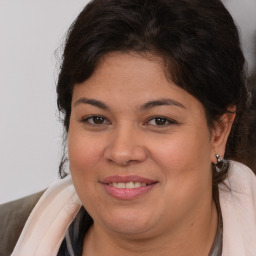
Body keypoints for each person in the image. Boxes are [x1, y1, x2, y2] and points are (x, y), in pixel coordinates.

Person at [1, 0, 255, 255]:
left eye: (159, 121)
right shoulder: (6, 237)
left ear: (219, 132)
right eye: (96, 119)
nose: (122, 152)